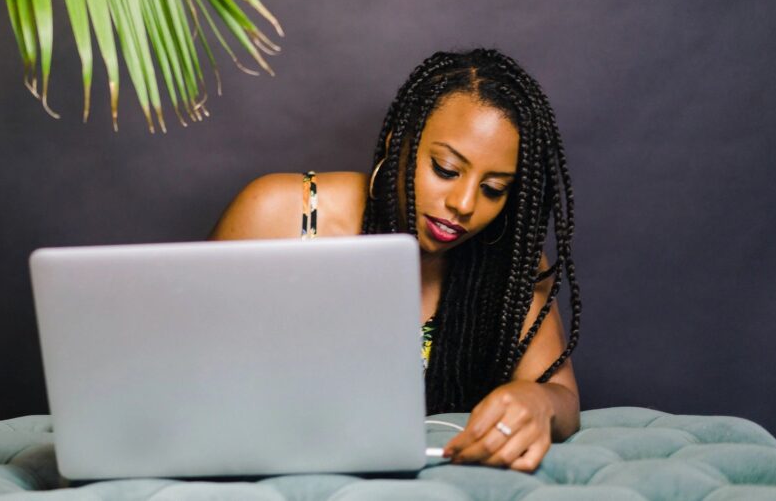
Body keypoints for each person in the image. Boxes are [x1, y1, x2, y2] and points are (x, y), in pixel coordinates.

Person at [209, 48, 581, 472]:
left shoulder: (510, 263)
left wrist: (537, 402)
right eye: (445, 169)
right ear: (396, 143)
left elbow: (563, 397)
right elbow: (185, 364)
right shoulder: (281, 214)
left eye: (493, 189)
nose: (463, 204)